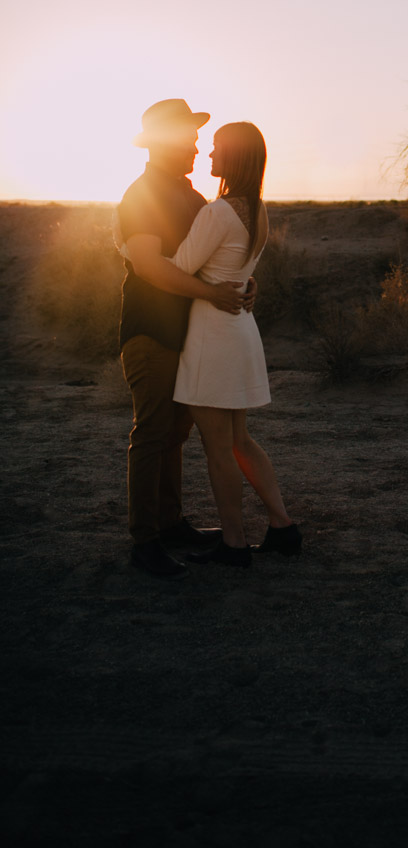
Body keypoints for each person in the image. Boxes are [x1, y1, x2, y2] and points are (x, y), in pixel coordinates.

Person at [118, 99, 250, 578]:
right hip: (150, 331)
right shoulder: (142, 195)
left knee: (175, 432)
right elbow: (149, 267)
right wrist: (210, 292)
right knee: (152, 433)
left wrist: (238, 285)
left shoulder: (191, 197)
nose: (197, 147)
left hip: (187, 333)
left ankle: (170, 524)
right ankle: (145, 542)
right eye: (189, 138)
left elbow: (213, 257)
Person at [166, 120, 301, 568]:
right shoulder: (257, 209)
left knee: (219, 447)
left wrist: (132, 251)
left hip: (213, 335)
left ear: (236, 157)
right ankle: (282, 527)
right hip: (240, 329)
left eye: (218, 148)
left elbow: (182, 266)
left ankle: (235, 544)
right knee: (239, 439)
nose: (209, 155)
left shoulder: (219, 211)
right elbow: (234, 266)